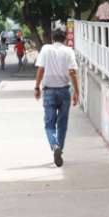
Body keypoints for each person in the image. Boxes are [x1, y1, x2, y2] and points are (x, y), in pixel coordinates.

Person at [34, 29, 79, 167]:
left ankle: (55, 146)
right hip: (65, 91)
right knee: (62, 124)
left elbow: (41, 69)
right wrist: (76, 91)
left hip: (49, 92)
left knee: (49, 124)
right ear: (65, 39)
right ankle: (60, 148)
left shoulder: (46, 49)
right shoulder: (69, 51)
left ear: (53, 39)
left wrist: (37, 87)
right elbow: (72, 72)